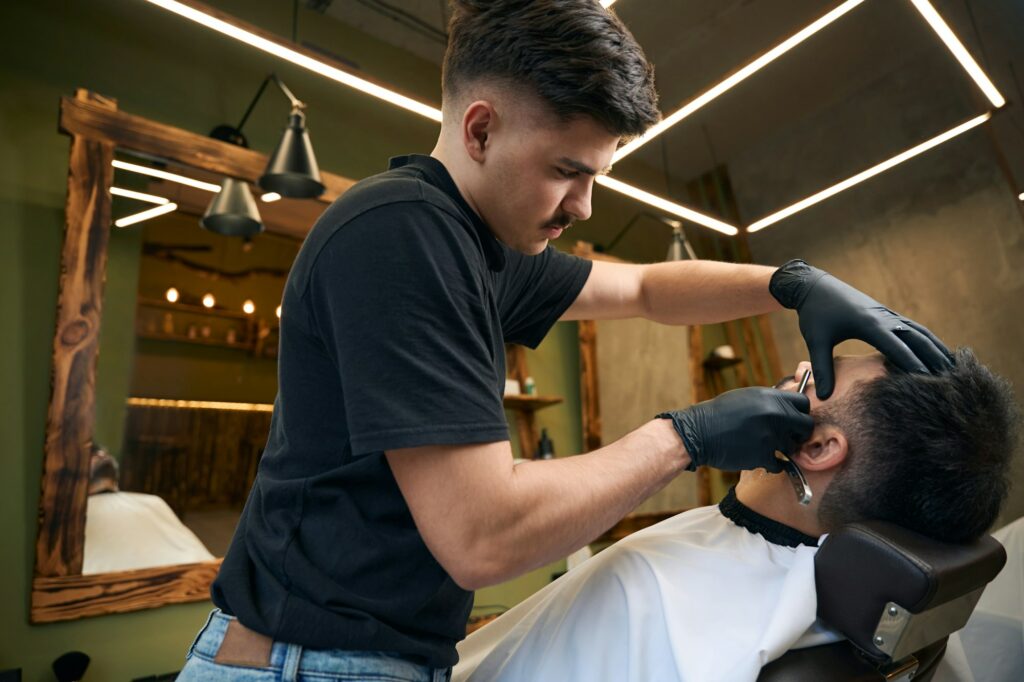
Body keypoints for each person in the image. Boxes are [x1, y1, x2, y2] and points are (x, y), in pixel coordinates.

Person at [178, 2, 952, 680]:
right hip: (306, 665)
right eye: (565, 172)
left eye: (596, 178)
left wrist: (790, 282)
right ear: (480, 128)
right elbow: (482, 538)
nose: (583, 206)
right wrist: (686, 436)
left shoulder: (481, 250)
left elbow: (648, 289)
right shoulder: (403, 235)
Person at [452, 349, 1019, 681]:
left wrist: (679, 437)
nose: (798, 362)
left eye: (814, 376)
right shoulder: (846, 609)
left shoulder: (646, 586)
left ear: (816, 448)